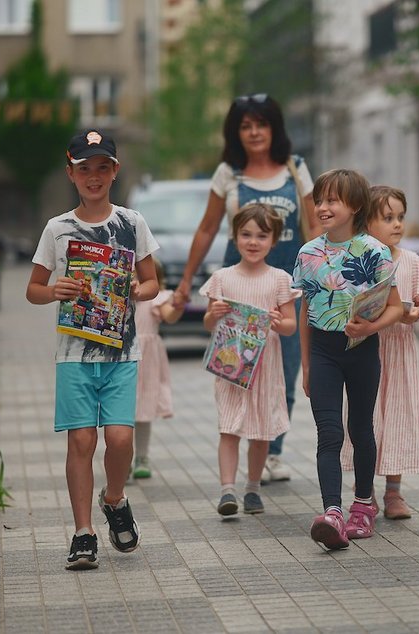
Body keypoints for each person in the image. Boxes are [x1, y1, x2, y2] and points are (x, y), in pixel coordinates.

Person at [26, 129, 160, 570]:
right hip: (74, 355)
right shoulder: (58, 229)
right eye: (85, 169)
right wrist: (55, 290)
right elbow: (33, 290)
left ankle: (114, 498)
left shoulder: (132, 222)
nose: (94, 176)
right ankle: (83, 533)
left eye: (103, 167)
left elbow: (153, 281)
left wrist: (139, 290)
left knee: (120, 439)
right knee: (81, 439)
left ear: (115, 171)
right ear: (71, 173)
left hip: (121, 352)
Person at [174, 94, 315, 483]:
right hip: (237, 287)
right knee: (237, 370)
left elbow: (314, 227)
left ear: (274, 128)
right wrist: (187, 280)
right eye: (246, 126)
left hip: (287, 284)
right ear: (237, 133)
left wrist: (325, 277)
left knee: (284, 369)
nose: (254, 133)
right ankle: (237, 450)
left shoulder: (296, 168)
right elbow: (207, 228)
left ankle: (272, 452)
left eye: (261, 124)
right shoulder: (228, 174)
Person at [292, 169, 403, 550]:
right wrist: (306, 364)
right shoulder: (308, 253)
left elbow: (395, 308)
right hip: (323, 351)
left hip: (361, 352)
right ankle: (333, 513)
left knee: (360, 428)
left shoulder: (375, 251)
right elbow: (305, 311)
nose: (322, 207)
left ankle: (362, 505)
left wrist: (369, 330)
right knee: (328, 432)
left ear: (354, 205)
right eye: (319, 200)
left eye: (331, 201)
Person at [341, 185, 419, 520]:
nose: (397, 224)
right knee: (364, 420)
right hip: (366, 351)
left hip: (399, 355)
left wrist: (418, 312)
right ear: (367, 223)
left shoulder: (412, 262)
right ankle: (362, 490)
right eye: (387, 218)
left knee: (396, 418)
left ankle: (394, 492)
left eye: (400, 217)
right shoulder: (357, 260)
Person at [200, 203, 300, 515]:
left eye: (261, 235)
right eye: (246, 234)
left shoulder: (280, 279)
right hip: (231, 365)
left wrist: (276, 321)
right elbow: (208, 323)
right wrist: (212, 315)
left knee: (260, 431)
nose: (253, 242)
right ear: (235, 238)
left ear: (274, 240)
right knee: (228, 428)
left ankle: (253, 488)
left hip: (266, 367)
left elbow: (290, 326)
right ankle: (227, 490)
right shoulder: (221, 278)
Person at [132, 258, 183, 479]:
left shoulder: (157, 298)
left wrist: (179, 304)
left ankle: (141, 456)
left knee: (144, 407)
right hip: (122, 355)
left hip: (147, 359)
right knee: (120, 410)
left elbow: (170, 315)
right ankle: (120, 456)